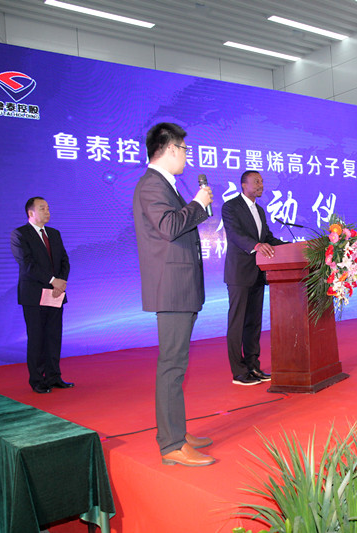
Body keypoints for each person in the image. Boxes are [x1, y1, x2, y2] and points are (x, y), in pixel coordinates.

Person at [132, 122, 216, 467]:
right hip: (171, 288)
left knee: (177, 365)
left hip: (180, 286)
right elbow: (169, 227)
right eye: (184, 149)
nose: (186, 156)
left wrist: (196, 207)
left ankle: (176, 431)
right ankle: (171, 445)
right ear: (169, 149)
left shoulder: (165, 184)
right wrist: (197, 203)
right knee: (171, 366)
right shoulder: (152, 184)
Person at [222, 170, 285, 386]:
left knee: (254, 323)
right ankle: (239, 372)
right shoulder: (231, 206)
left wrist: (291, 247)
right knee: (237, 323)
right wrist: (256, 245)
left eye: (262, 181)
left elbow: (267, 238)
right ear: (243, 184)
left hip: (258, 273)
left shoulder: (259, 210)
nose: (261, 185)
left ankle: (253, 366)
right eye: (256, 181)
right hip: (239, 274)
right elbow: (235, 234)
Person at [10, 197, 73, 394]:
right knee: (37, 338)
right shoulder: (20, 234)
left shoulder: (54, 234)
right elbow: (27, 265)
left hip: (55, 294)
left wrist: (60, 282)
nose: (47, 211)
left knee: (54, 336)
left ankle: (54, 377)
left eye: (48, 208)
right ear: (31, 213)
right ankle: (37, 380)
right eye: (42, 208)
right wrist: (52, 280)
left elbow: (64, 260)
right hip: (34, 295)